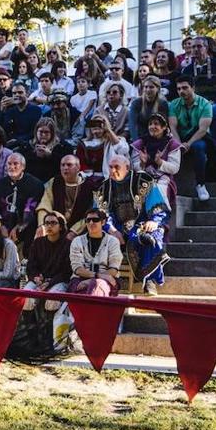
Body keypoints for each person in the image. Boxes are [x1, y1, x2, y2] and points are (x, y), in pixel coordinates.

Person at [96, 154, 170, 295]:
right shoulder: (104, 188)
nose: (112, 171)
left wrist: (154, 221)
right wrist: (111, 230)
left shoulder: (143, 181)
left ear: (127, 167)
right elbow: (102, 214)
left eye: (116, 167)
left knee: (149, 238)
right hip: (116, 228)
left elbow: (158, 207)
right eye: (110, 167)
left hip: (142, 225)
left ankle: (149, 280)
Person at [168, 76, 216, 201]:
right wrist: (178, 144)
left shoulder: (205, 104)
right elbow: (172, 127)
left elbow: (203, 129)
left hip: (198, 137)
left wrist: (188, 144)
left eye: (185, 88)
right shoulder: (174, 104)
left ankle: (200, 184)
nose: (181, 91)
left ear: (193, 88)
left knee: (198, 147)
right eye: (178, 89)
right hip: (179, 138)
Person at [0, 153, 43, 254]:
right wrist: (0, 225)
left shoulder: (35, 184)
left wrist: (18, 227)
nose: (12, 167)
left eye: (15, 164)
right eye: (9, 164)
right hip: (3, 225)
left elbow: (30, 209)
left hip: (26, 224)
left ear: (23, 166)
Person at [23, 210, 72, 312]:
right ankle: (29, 325)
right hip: (39, 280)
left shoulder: (68, 245)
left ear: (61, 226)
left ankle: (50, 327)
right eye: (47, 223)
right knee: (25, 298)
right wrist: (35, 277)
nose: (49, 226)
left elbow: (67, 272)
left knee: (52, 302)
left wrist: (50, 283)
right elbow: (31, 266)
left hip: (59, 281)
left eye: (53, 223)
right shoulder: (37, 243)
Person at [36, 154, 94, 239]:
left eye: (69, 165)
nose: (65, 168)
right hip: (54, 227)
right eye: (62, 165)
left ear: (78, 167)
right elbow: (45, 205)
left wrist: (74, 231)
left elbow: (91, 214)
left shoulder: (89, 186)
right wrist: (42, 225)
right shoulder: (54, 182)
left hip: (80, 232)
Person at [68, 207, 122, 297]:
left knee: (97, 286)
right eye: (88, 220)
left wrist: (94, 280)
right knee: (83, 289)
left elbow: (113, 269)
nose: (91, 223)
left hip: (107, 279)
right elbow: (77, 269)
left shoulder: (113, 241)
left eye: (95, 220)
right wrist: (96, 276)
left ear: (103, 222)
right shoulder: (77, 241)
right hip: (80, 279)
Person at [132, 112, 182, 206]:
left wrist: (160, 163)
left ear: (163, 127)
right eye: (150, 124)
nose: (152, 126)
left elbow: (175, 168)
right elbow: (134, 166)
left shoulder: (172, 144)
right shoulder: (140, 143)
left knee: (157, 190)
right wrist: (142, 164)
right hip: (143, 178)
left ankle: (159, 217)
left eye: (156, 124)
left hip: (163, 180)